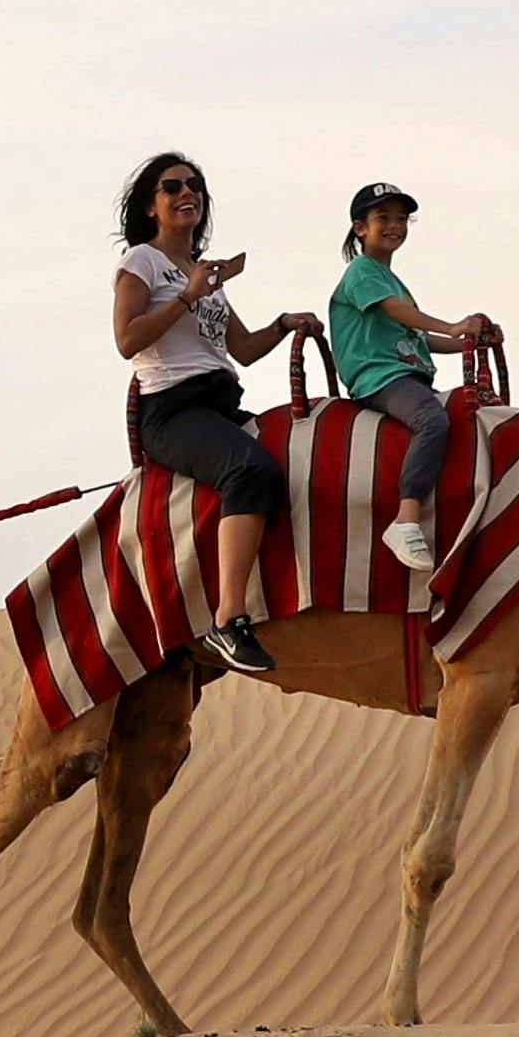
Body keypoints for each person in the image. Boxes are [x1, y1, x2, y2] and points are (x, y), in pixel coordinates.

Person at [113, 155, 319, 673]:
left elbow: (243, 349)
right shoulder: (142, 261)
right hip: (171, 408)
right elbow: (126, 340)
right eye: (173, 186)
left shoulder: (205, 274)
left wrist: (284, 323)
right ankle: (229, 619)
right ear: (151, 204)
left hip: (221, 401)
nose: (188, 192)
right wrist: (185, 297)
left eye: (196, 186)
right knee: (249, 470)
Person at [323, 182, 495, 574]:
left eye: (401, 219)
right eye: (383, 217)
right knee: (431, 420)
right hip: (380, 377)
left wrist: (470, 340)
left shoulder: (391, 281)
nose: (395, 225)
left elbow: (417, 339)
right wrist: (453, 326)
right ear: (360, 228)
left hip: (407, 374)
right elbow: (398, 313)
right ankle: (405, 519)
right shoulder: (363, 273)